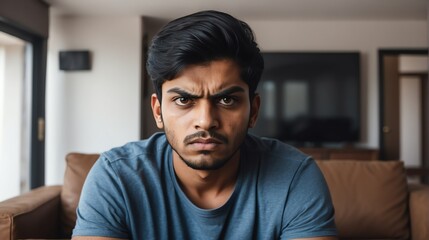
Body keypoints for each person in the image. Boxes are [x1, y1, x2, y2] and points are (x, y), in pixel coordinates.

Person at [72, 10, 337, 240]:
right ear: (158, 111)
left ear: (253, 110)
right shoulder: (116, 177)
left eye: (227, 99)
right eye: (184, 100)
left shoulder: (295, 177)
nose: (206, 120)